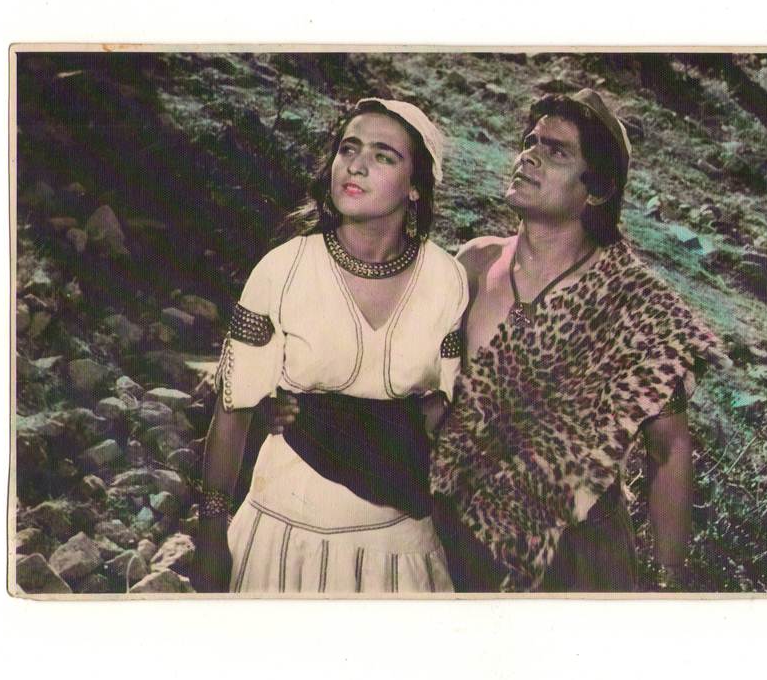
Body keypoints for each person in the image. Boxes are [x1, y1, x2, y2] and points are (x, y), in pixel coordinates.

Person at [428, 89, 728, 592]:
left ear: (599, 188)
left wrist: (668, 580)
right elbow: (431, 392)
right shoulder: (475, 263)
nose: (529, 156)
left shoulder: (635, 303)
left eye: (556, 151)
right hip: (461, 536)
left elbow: (669, 449)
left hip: (575, 555)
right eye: (530, 142)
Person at [190, 98, 468, 594]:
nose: (356, 165)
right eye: (349, 149)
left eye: (383, 156)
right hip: (282, 535)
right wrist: (212, 534)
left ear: (416, 186)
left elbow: (442, 409)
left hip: (401, 545)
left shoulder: (446, 279)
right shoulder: (284, 268)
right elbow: (233, 409)